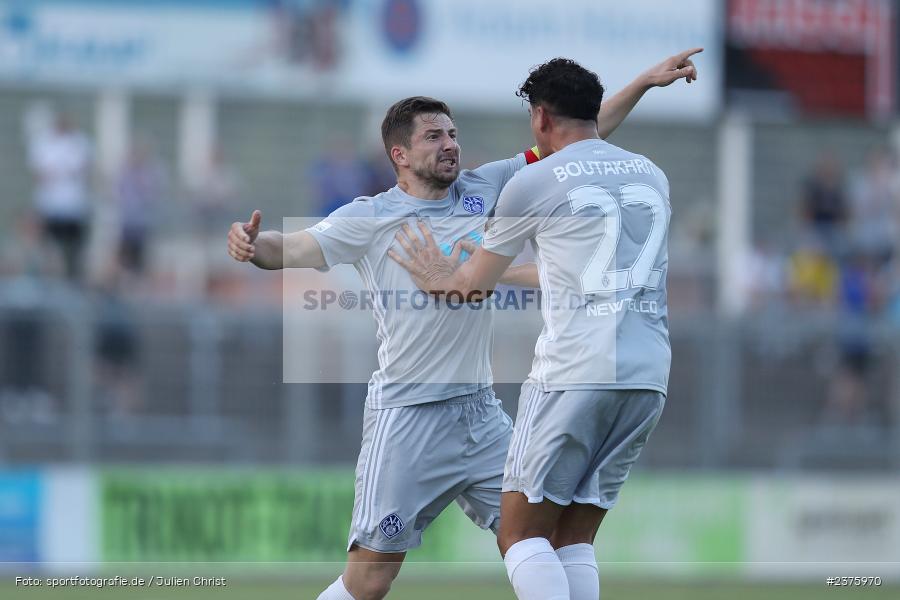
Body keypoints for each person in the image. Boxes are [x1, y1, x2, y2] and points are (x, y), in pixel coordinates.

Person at [227, 49, 698, 600]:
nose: (450, 144)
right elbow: (296, 247)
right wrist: (254, 245)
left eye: (452, 133)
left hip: (480, 415)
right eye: (433, 136)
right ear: (399, 154)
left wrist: (640, 82)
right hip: (409, 415)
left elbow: (575, 144)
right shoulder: (369, 216)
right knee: (370, 579)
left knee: (535, 535)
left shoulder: (488, 185)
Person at [390, 58, 675, 600]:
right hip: (647, 375)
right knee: (573, 538)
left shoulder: (533, 182)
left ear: (540, 117)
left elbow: (469, 285)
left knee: (520, 533)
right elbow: (575, 269)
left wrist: (439, 274)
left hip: (575, 371)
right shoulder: (650, 174)